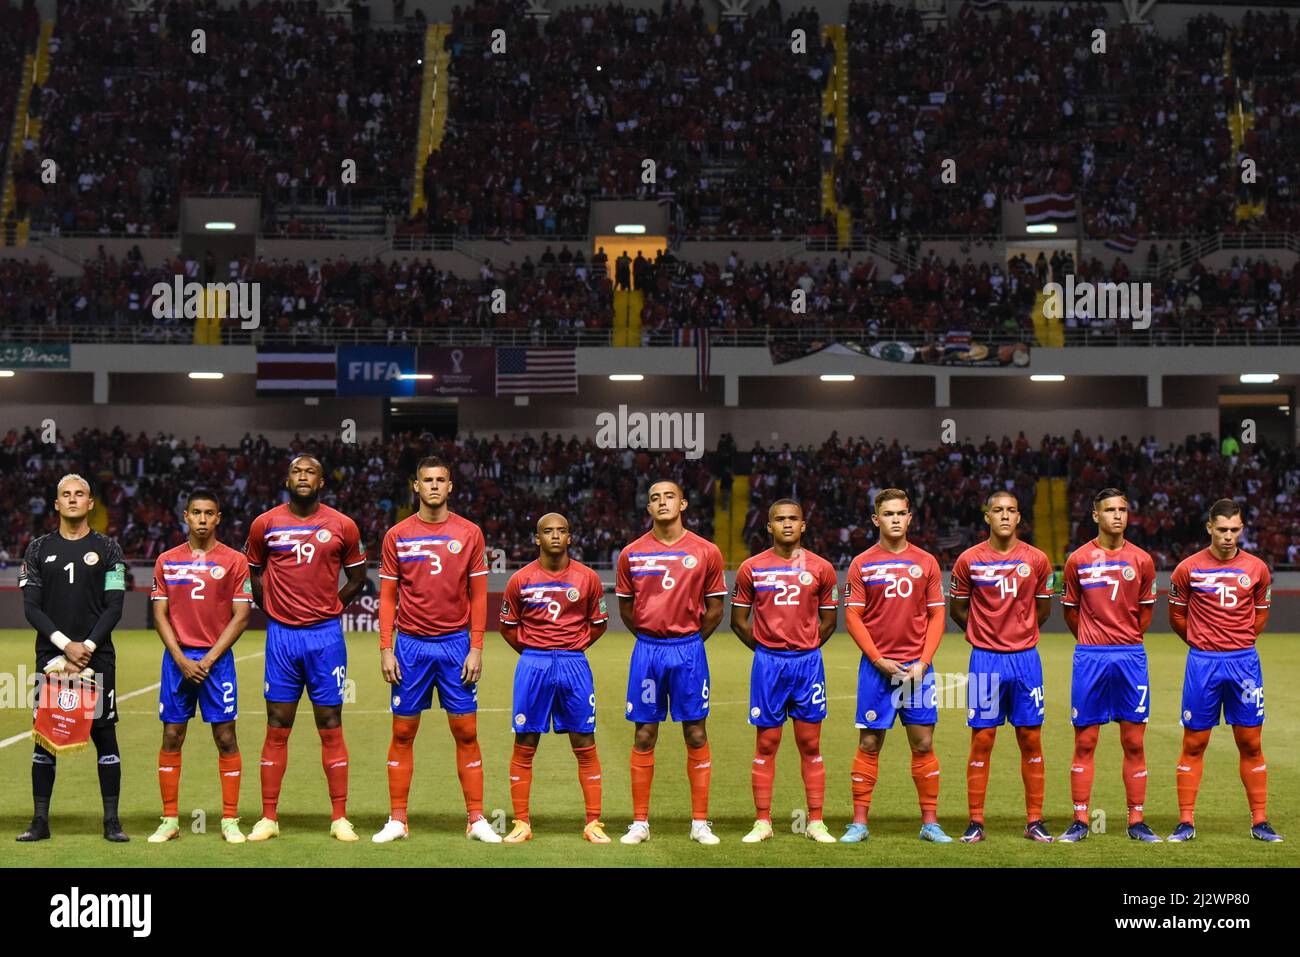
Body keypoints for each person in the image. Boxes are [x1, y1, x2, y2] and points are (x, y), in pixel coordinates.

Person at [372, 457, 500, 844]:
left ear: (450, 486)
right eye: (426, 480)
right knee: (403, 732)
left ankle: (477, 819)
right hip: (409, 646)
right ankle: (398, 819)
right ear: (415, 486)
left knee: (466, 731)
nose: (433, 486)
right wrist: (385, 648)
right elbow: (388, 596)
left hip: (455, 645)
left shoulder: (470, 533)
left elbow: (479, 595)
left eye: (440, 480)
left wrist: (476, 647)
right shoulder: (397, 534)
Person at [244, 455, 368, 842]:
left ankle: (339, 817)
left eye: (310, 472)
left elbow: (358, 577)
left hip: (325, 637)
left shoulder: (342, 525)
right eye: (296, 471)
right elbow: (254, 571)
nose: (302, 477)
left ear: (322, 482)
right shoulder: (264, 524)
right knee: (277, 725)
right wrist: (272, 609)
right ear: (286, 479)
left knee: (330, 724)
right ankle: (268, 818)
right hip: (281, 638)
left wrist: (331, 607)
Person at [17, 474, 128, 842]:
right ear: (56, 503)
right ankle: (40, 821)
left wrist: (88, 648)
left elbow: (115, 606)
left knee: (104, 734)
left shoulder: (109, 549)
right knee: (45, 737)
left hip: (97, 660)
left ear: (91, 502)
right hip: (52, 658)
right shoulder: (37, 549)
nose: (73, 499)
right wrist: (67, 645)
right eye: (66, 494)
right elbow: (31, 607)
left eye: (80, 494)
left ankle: (111, 822)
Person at [616, 480, 727, 845]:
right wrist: (655, 637)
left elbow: (714, 610)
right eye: (654, 498)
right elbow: (627, 610)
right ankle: (640, 823)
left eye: (669, 496)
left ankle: (699, 823)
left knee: (696, 732)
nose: (662, 502)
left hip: (689, 650)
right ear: (647, 508)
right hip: (648, 651)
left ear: (684, 502)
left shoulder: (706, 551)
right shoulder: (630, 554)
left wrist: (689, 641)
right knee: (644, 733)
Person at [840, 489, 951, 844]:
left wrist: (923, 661)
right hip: (877, 669)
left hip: (917, 670)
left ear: (910, 518)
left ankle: (930, 823)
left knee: (922, 743)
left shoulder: (927, 562)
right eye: (888, 514)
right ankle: (859, 823)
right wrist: (877, 659)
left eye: (901, 513)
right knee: (870, 743)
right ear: (876, 519)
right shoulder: (861, 563)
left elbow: (937, 614)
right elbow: (853, 615)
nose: (895, 519)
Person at [1167, 499, 1281, 842]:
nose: (1228, 536)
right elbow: (1177, 617)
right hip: (1203, 664)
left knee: (1250, 742)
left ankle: (1260, 821)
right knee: (1195, 742)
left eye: (1234, 530)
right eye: (1222, 530)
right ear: (1209, 529)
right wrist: (1204, 643)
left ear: (1242, 529)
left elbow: (1259, 617)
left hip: (1244, 663)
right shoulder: (1187, 569)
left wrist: (1237, 641)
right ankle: (1186, 822)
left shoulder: (1258, 569)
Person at [147, 490, 253, 844]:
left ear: (218, 518)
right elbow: (159, 612)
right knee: (172, 735)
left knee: (225, 737)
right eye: (197, 512)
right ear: (186, 517)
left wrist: (206, 660)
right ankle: (169, 820)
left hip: (216, 662)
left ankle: (229, 820)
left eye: (209, 513)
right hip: (177, 661)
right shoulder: (166, 560)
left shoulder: (236, 561)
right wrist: (180, 658)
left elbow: (241, 616)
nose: (203, 519)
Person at [949, 490, 1055, 844]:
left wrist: (1018, 633)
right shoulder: (968, 560)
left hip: (1026, 659)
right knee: (982, 739)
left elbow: (1043, 611)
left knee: (1031, 739)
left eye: (1011, 510)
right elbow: (957, 610)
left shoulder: (1038, 560)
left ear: (1019, 516)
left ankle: (1035, 821)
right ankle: (976, 822)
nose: (1005, 516)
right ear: (987, 517)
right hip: (985, 660)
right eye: (998, 510)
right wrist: (985, 634)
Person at [730, 499, 839, 844]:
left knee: (810, 743)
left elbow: (830, 620)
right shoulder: (751, 568)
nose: (787, 524)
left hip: (808, 665)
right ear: (769, 526)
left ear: (803, 525)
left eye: (793, 519)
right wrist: (767, 650)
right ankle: (763, 821)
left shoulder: (822, 568)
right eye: (780, 519)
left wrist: (804, 646)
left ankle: (816, 822)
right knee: (767, 742)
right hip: (768, 665)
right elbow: (738, 621)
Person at [498, 513, 610, 844]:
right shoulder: (520, 579)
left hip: (574, 664)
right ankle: (521, 823)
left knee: (584, 742)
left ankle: (593, 823)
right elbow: (508, 626)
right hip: (533, 664)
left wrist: (573, 648)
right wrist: (534, 652)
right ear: (537, 538)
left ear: (571, 537)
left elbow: (599, 623)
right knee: (526, 741)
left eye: (562, 531)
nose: (556, 536)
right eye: (548, 531)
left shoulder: (587, 578)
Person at [1057, 489, 1160, 843]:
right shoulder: (1077, 560)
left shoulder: (1143, 560)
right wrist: (1092, 639)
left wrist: (1124, 638)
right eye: (1110, 510)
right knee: (1085, 740)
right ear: (1095, 515)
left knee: (1134, 742)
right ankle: (1081, 820)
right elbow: (1070, 611)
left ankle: (1136, 821)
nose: (1118, 516)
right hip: (1091, 657)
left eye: (1123, 510)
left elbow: (1145, 613)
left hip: (1131, 656)